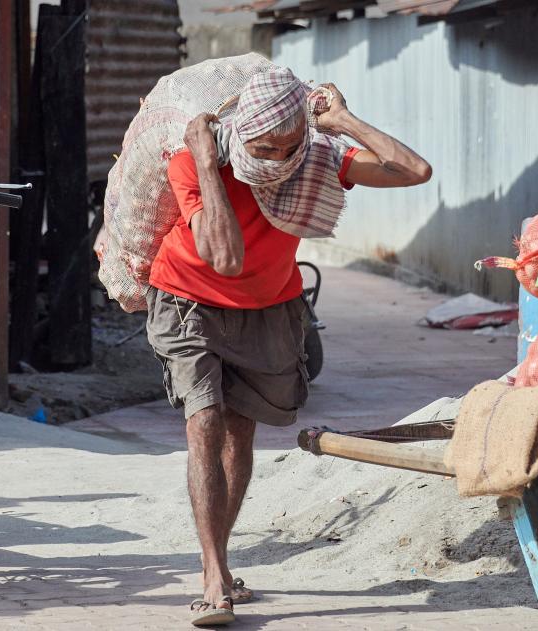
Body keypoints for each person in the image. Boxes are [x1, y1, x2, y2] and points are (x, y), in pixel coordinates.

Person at [145, 66, 431, 626]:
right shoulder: (196, 160)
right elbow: (224, 258)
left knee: (240, 430)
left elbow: (414, 170)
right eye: (262, 147)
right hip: (187, 300)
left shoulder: (315, 160)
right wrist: (206, 162)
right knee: (203, 420)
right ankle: (212, 576)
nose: (275, 160)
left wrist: (341, 122)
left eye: (288, 146)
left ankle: (220, 563)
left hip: (269, 307)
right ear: (239, 134)